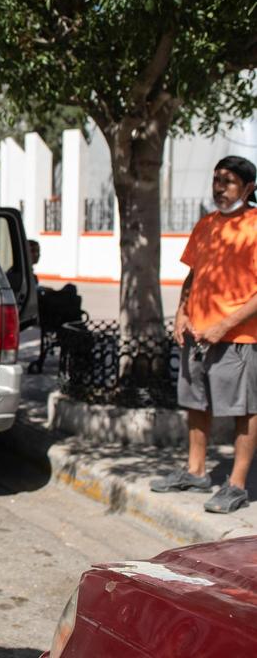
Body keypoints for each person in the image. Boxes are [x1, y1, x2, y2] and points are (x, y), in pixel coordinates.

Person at [151, 155, 257, 514]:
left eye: (228, 182)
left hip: (238, 339)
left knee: (245, 410)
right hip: (197, 335)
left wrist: (224, 326)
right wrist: (182, 313)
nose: (219, 188)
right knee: (196, 403)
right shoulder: (206, 224)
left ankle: (236, 485)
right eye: (216, 180)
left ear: (249, 187)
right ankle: (196, 471)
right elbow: (193, 275)